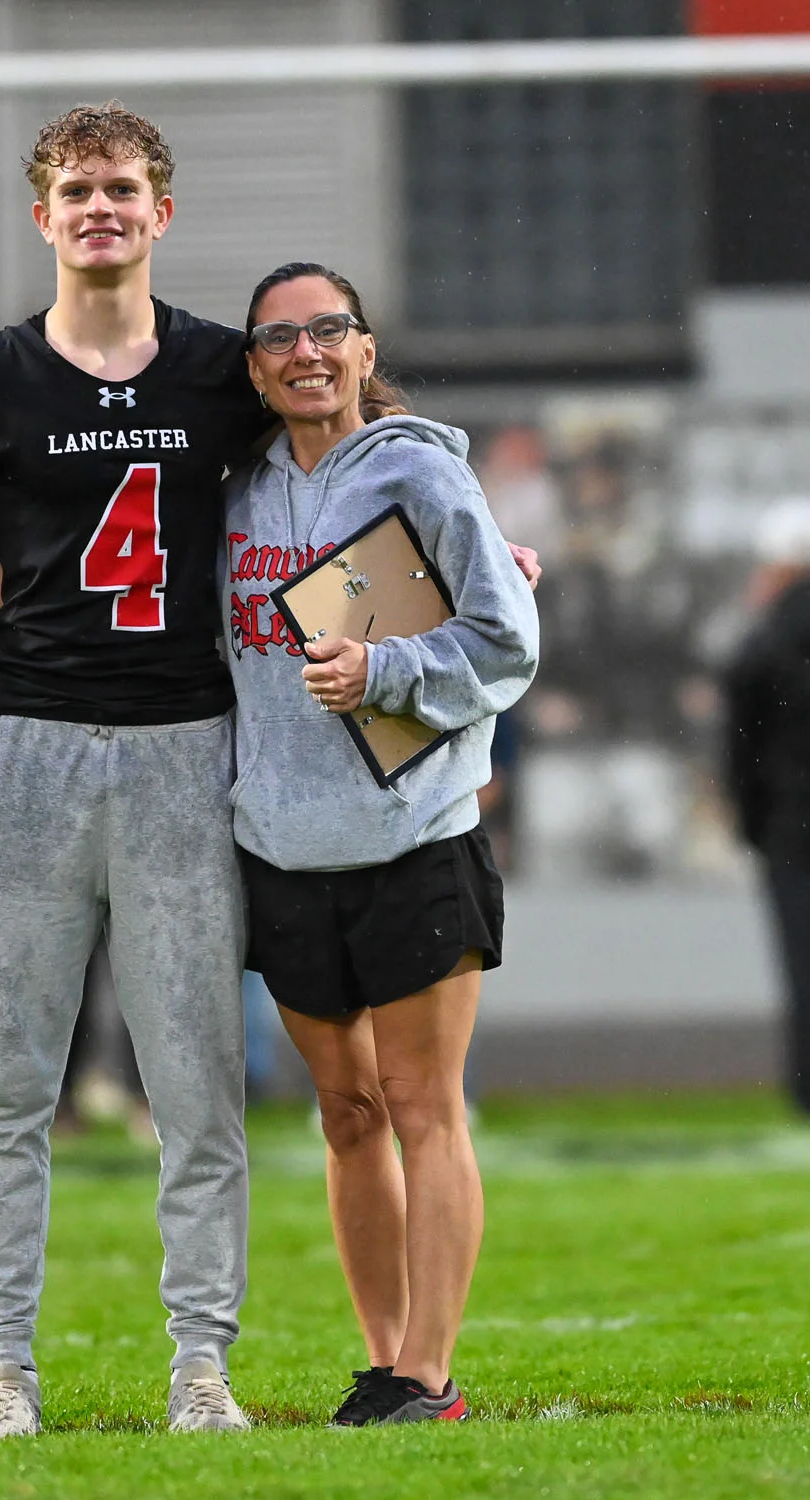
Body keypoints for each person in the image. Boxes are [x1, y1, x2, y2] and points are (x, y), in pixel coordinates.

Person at [0, 102, 541, 1439]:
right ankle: (2, 1374)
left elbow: (358, 440)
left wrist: (480, 557)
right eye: (76, 188)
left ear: (162, 210)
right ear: (43, 215)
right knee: (10, 1089)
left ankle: (204, 1370)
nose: (100, 208)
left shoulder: (216, 368)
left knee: (199, 1094)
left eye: (123, 186)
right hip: (24, 747)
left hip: (190, 753)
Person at [222, 263, 539, 1425]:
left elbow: (508, 643)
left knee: (421, 1107)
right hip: (285, 849)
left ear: (363, 348)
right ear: (252, 368)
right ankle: (384, 1359)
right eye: (277, 339)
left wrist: (386, 668)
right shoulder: (231, 491)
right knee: (346, 1114)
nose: (305, 352)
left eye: (327, 330)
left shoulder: (425, 472)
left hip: (416, 839)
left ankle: (430, 1372)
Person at [722, 497, 810, 1115]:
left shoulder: (766, 638)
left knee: (803, 961)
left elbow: (742, 746)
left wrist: (755, 824)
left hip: (791, 827)